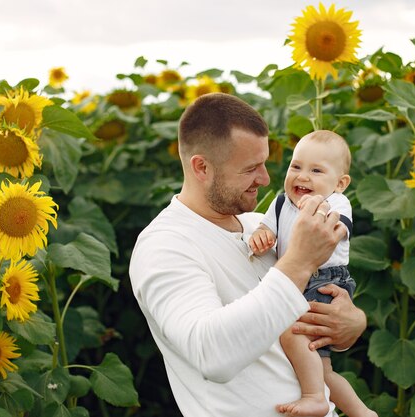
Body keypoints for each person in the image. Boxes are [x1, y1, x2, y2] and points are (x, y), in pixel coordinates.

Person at [129, 93, 367, 417]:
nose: (266, 179)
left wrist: (350, 323)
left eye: (265, 163)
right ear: (202, 167)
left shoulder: (261, 226)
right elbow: (210, 353)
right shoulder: (165, 245)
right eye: (251, 168)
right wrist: (298, 261)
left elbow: (300, 313)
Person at [249, 130, 377, 417]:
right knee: (323, 368)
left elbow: (336, 231)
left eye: (316, 170)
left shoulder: (337, 202)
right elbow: (268, 227)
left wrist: (316, 210)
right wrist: (261, 235)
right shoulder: (281, 202)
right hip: (299, 279)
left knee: (292, 332)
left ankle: (314, 397)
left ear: (340, 183)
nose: (302, 176)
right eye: (296, 167)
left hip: (325, 279)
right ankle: (361, 412)